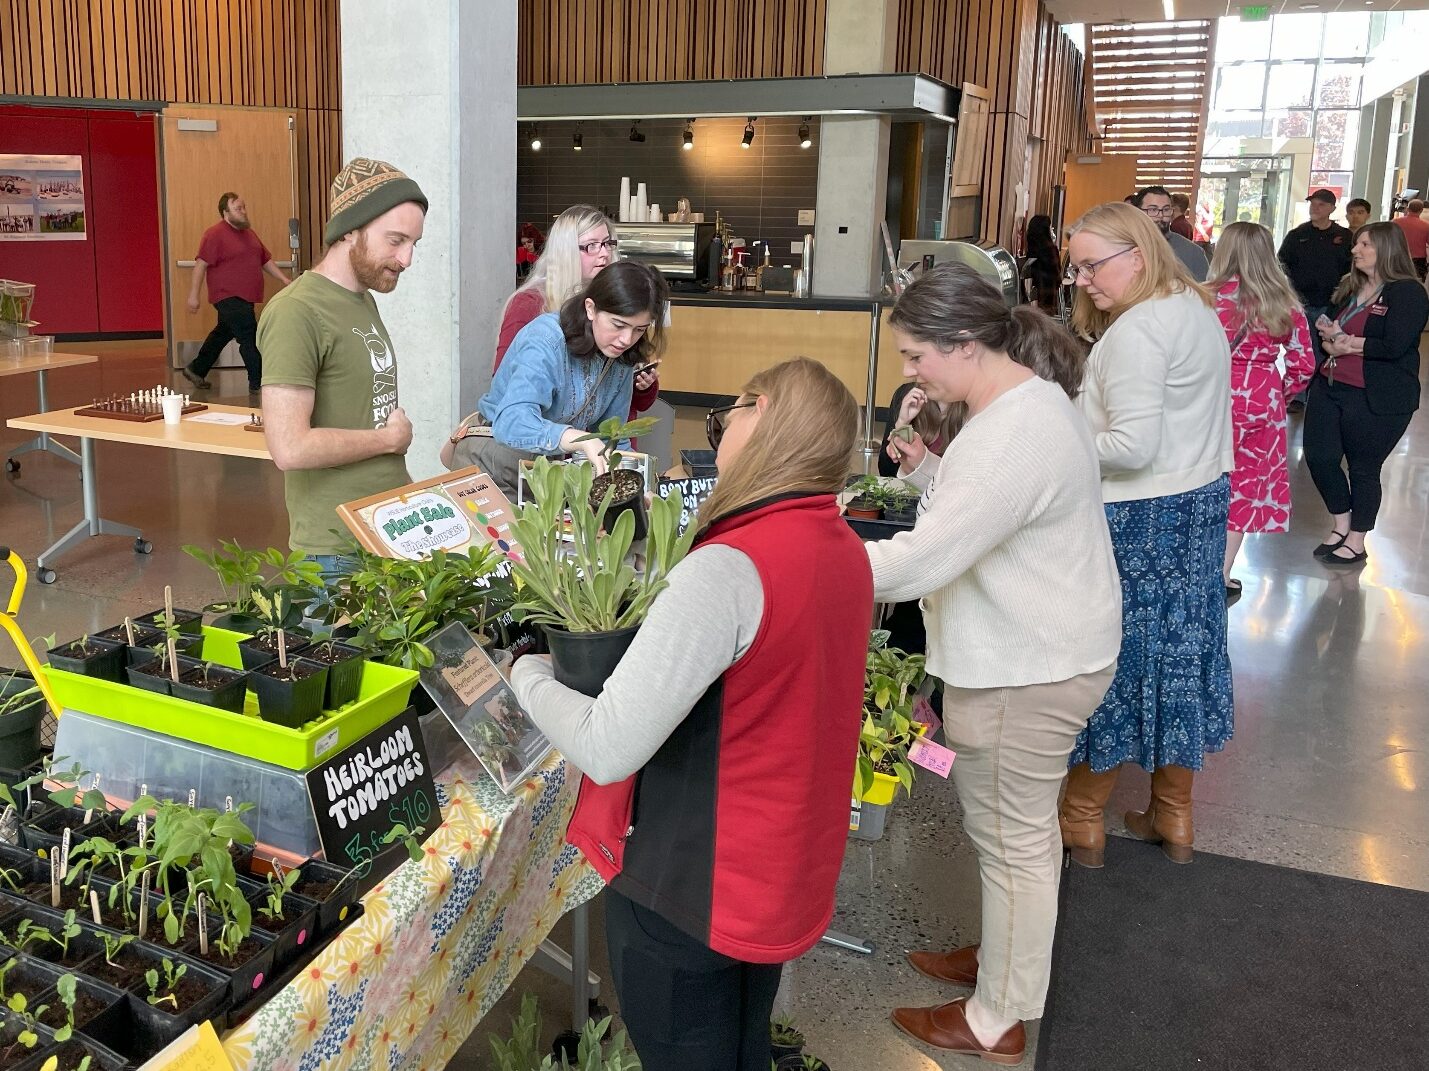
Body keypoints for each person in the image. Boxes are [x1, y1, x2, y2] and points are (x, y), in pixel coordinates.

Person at [511, 357, 873, 1071]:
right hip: (780, 874)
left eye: (727, 417)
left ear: (763, 416)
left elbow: (608, 744)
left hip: (692, 890)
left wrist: (525, 671)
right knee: (741, 1049)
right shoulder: (844, 548)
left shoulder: (730, 566)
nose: (721, 433)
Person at [870, 265, 1121, 1065]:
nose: (909, 372)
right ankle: (1005, 963)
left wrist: (801, 558)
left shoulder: (1013, 429)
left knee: (1012, 840)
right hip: (1039, 653)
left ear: (966, 344)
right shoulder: (1022, 404)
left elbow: (922, 559)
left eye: (916, 356)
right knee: (1011, 834)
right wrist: (922, 471)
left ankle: (995, 1016)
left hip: (1028, 666)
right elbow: (985, 506)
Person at [1060, 201, 1234, 869]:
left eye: (1090, 265)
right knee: (1180, 655)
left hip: (1139, 516)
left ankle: (1080, 817)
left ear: (1137, 253)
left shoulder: (1136, 332)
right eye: (1075, 267)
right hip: (1197, 507)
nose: (1081, 280)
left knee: (1116, 660)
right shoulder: (1193, 312)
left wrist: (1060, 437)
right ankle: (1173, 812)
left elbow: (1130, 445)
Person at [258, 158, 426, 570]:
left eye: (413, 244)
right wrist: (389, 440)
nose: (406, 259)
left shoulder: (361, 298)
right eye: (395, 240)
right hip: (334, 549)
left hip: (387, 526)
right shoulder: (296, 312)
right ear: (350, 230)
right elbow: (289, 448)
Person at [443, 260, 667, 496]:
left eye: (639, 329)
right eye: (618, 324)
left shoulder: (620, 357)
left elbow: (613, 435)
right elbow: (513, 422)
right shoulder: (546, 339)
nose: (626, 339)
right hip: (492, 461)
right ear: (590, 308)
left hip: (545, 469)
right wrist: (577, 438)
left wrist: (636, 485)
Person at [1304, 222, 1428, 566]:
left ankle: (1357, 540)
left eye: (1365, 245)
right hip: (1330, 386)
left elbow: (1394, 345)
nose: (1356, 250)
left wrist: (1349, 345)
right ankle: (1341, 523)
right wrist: (1330, 337)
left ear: (1386, 250)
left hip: (1377, 396)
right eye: (1356, 244)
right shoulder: (1350, 288)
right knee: (1320, 457)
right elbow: (1332, 335)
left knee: (1363, 468)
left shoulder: (1407, 292)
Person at [1207, 222, 1317, 598]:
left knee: (1201, 478)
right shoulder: (1283, 301)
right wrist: (1277, 395)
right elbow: (1303, 364)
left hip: (1209, 397)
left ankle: (1191, 566)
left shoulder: (1204, 297)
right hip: (1260, 399)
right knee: (1245, 487)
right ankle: (1220, 574)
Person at [493, 205, 659, 416]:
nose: (605, 253)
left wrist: (641, 385)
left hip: (604, 437)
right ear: (565, 251)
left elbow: (632, 404)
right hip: (544, 438)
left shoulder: (618, 301)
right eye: (591, 246)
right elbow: (506, 382)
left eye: (608, 244)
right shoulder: (529, 303)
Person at [182, 192, 291, 397]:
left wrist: (284, 279)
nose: (243, 212)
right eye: (237, 209)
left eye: (243, 207)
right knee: (249, 335)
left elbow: (264, 260)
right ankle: (258, 381)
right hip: (227, 295)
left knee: (223, 332)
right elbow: (200, 265)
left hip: (246, 296)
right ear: (225, 212)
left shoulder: (249, 233)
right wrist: (193, 295)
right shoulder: (214, 234)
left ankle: (196, 369)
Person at [1278, 188, 1354, 412]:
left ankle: (1317, 394)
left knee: (1324, 348)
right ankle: (1299, 395)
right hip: (1301, 302)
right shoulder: (1298, 235)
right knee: (1302, 348)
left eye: (1321, 204)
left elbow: (1350, 269)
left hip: (1330, 304)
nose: (1315, 208)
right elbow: (1282, 262)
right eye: (1313, 204)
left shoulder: (1344, 237)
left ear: (1332, 208)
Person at [1133, 186, 1208, 281]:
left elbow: (1204, 293)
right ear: (1137, 212)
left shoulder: (1193, 253)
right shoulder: (1122, 247)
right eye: (1153, 210)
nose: (1160, 215)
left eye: (1166, 210)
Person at [1020, 214, 1063, 313]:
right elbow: (1057, 275)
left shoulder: (1031, 250)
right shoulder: (1050, 249)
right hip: (1048, 293)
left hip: (1034, 292)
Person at [1391, 198, 1429, 279]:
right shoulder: (1426, 225)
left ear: (1407, 209)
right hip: (1418, 259)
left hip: (1397, 256)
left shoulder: (1395, 222)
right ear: (1421, 210)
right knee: (1416, 282)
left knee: (1395, 280)